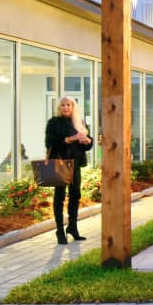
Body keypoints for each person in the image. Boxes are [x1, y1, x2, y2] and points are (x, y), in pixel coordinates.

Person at [44, 96, 93, 244]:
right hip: (60, 163)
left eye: (69, 105)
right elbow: (50, 143)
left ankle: (72, 227)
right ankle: (60, 230)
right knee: (59, 196)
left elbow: (87, 146)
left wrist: (87, 141)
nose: (66, 108)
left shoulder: (79, 123)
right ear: (59, 108)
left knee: (75, 195)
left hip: (75, 163)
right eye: (63, 105)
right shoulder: (53, 122)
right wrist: (70, 139)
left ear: (73, 107)